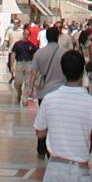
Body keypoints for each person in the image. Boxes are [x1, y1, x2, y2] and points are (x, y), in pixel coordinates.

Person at [34, 51, 92, 182]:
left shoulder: (49, 99)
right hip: (79, 171)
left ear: (62, 71)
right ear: (83, 71)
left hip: (55, 167)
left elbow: (39, 133)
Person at [30, 26, 66, 159]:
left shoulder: (39, 53)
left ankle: (41, 147)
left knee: (43, 118)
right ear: (58, 36)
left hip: (43, 92)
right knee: (56, 120)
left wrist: (30, 89)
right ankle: (53, 147)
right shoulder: (64, 53)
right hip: (60, 92)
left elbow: (33, 73)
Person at [11, 31, 37, 104]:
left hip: (28, 63)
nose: (26, 35)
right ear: (23, 34)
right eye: (25, 34)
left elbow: (35, 55)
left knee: (28, 82)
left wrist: (34, 66)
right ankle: (19, 92)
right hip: (19, 63)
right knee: (17, 82)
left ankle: (25, 98)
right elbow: (13, 54)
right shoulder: (17, 44)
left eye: (28, 34)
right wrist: (12, 65)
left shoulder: (32, 45)